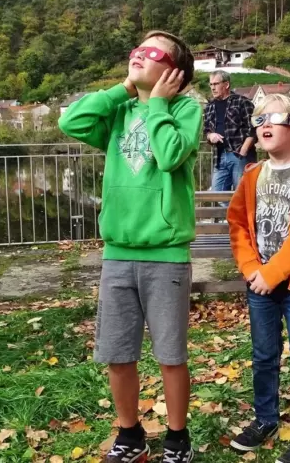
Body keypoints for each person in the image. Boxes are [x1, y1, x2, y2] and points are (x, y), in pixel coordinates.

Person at [58, 30, 201, 463]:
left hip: (165, 254)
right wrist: (122, 89)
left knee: (170, 354)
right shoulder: (118, 110)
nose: (139, 55)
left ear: (174, 72)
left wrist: (157, 104)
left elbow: (172, 154)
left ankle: (178, 438)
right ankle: (130, 434)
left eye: (152, 52)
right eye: (136, 50)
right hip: (118, 253)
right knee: (118, 353)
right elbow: (72, 121)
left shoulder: (186, 108)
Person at [227, 94, 290, 463]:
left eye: (275, 118)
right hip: (259, 284)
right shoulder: (252, 174)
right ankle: (266, 419)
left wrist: (273, 274)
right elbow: (238, 223)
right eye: (259, 119)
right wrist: (252, 268)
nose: (264, 124)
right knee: (263, 356)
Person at [203, 70, 257, 193]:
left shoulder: (242, 102)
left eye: (216, 84)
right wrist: (210, 135)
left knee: (242, 194)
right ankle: (232, 212)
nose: (212, 88)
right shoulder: (210, 106)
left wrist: (243, 151)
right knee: (217, 193)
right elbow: (206, 129)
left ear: (226, 84)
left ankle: (239, 212)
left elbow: (254, 128)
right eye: (211, 84)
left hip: (239, 154)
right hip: (219, 155)